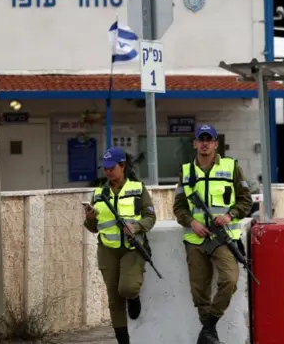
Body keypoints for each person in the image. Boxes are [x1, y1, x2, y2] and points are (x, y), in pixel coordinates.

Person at [172, 124, 253, 344]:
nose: (205, 143)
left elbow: (246, 199)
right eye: (201, 139)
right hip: (195, 238)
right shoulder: (187, 171)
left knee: (230, 280)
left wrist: (229, 216)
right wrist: (192, 223)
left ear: (216, 143)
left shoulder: (231, 167)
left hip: (222, 237)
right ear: (195, 143)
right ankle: (210, 337)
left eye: (209, 139)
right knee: (200, 292)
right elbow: (179, 207)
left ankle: (208, 328)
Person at [83, 147, 157, 344]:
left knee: (127, 288)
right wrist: (89, 219)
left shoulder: (138, 189)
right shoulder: (99, 193)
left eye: (111, 167)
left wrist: (137, 226)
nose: (107, 171)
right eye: (104, 168)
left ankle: (134, 298)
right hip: (107, 250)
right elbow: (93, 228)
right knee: (114, 299)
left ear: (122, 166)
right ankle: (123, 341)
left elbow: (151, 217)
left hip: (132, 249)